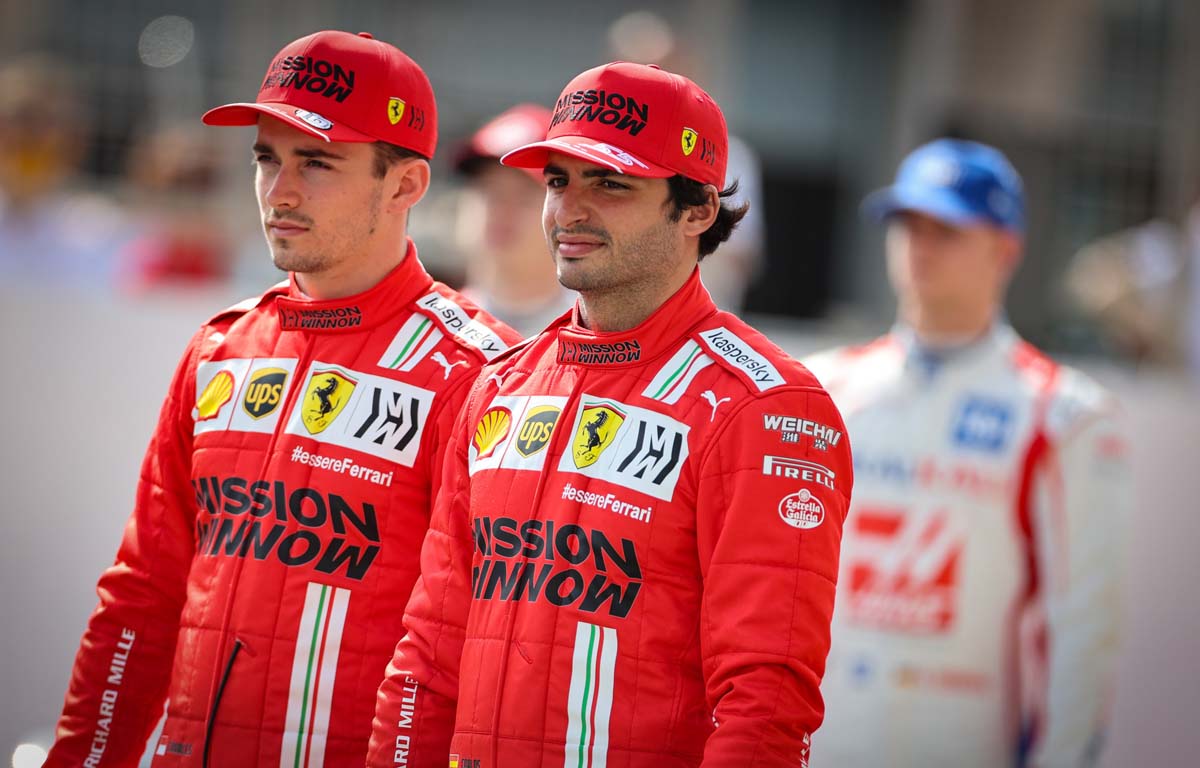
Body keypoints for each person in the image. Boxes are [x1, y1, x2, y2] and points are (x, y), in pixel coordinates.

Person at [44, 30, 520, 767]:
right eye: (266, 158)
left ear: (405, 185)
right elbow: (143, 597)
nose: (280, 190)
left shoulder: (480, 375)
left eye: (317, 162)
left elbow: (482, 649)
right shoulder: (221, 348)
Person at [369, 61, 854, 767]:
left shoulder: (766, 406)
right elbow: (430, 652)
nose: (570, 209)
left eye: (611, 183)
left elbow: (766, 699)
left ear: (697, 210)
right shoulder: (499, 386)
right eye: (560, 180)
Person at [804, 139, 1130, 767]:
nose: (920, 246)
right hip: (821, 740)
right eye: (907, 224)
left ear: (1006, 249)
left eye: (946, 228)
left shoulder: (1064, 415)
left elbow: (1087, 632)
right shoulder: (822, 389)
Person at [452, 103, 575, 336]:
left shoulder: (599, 337)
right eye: (488, 190)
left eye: (524, 194)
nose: (501, 208)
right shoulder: (433, 328)